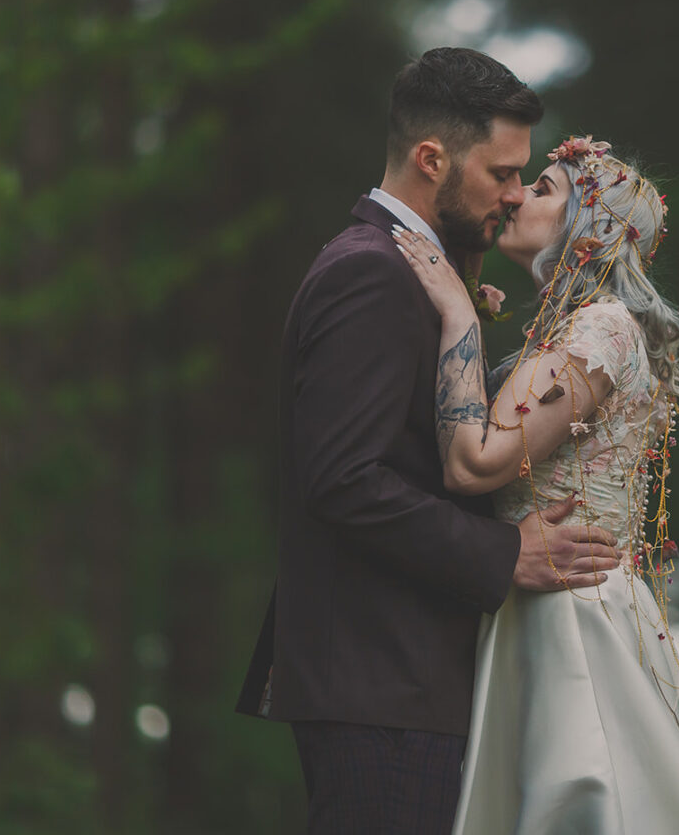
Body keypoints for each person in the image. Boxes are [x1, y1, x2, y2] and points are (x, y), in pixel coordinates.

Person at [235, 49, 621, 835]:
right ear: (431, 158)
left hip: (405, 683)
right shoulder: (371, 273)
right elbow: (344, 479)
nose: (516, 196)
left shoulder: (407, 270)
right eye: (502, 173)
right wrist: (504, 556)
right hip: (383, 685)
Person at [393, 135, 679, 834]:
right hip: (542, 598)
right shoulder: (577, 330)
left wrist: (458, 316)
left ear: (590, 227)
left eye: (544, 188)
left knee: (582, 795)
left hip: (574, 612)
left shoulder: (600, 329)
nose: (517, 195)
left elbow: (474, 462)